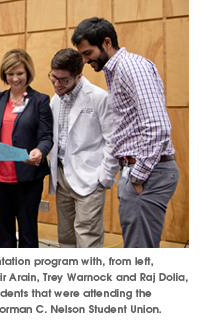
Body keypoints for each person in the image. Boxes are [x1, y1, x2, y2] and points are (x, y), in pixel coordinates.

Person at [71, 17, 179, 248]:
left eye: (88, 53)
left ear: (107, 42)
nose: (85, 60)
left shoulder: (132, 67)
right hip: (138, 169)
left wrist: (138, 176)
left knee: (138, 253)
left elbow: (157, 125)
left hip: (147, 171)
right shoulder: (116, 69)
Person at [0, 49, 53, 248]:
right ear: (4, 74)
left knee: (28, 231)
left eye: (20, 73)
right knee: (2, 231)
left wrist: (40, 151)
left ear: (28, 73)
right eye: (10, 73)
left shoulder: (40, 100)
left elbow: (46, 136)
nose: (15, 78)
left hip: (27, 178)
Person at [47, 48, 119, 248]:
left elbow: (113, 140)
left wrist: (103, 177)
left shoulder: (99, 97)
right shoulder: (56, 100)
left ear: (79, 76)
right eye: (53, 77)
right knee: (66, 236)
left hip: (90, 177)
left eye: (63, 80)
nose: (56, 84)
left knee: (87, 237)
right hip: (62, 177)